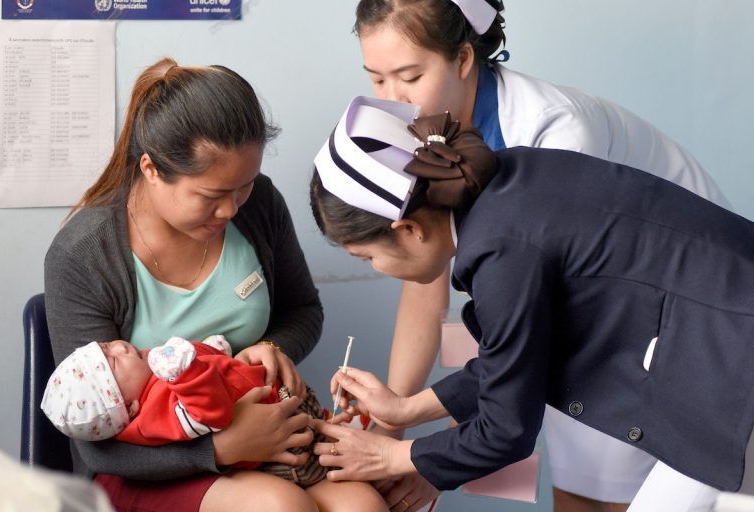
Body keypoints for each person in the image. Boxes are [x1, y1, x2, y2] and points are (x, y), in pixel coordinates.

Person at [352, 1, 731, 510]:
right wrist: (391, 427)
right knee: (579, 486)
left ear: (464, 58)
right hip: (600, 319)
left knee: (606, 487)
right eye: (376, 80)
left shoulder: (553, 131)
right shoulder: (418, 132)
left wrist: (429, 460)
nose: (393, 100)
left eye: (410, 76)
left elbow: (532, 339)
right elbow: (424, 279)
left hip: (680, 303)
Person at [44, 58, 387, 512]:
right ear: (151, 169)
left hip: (265, 448)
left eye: (242, 186)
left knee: (361, 504)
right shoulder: (84, 255)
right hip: (147, 466)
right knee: (278, 507)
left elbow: (303, 310)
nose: (230, 210)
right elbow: (96, 446)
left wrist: (272, 349)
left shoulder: (259, 203)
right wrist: (222, 448)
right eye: (210, 196)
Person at [41, 335, 332, 487]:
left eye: (106, 347)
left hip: (283, 401)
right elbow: (209, 413)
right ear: (129, 408)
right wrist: (185, 372)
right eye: (115, 362)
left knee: (329, 433)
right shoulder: (154, 416)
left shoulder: (152, 374)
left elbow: (208, 366)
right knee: (327, 463)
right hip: (281, 450)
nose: (120, 347)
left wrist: (212, 348)